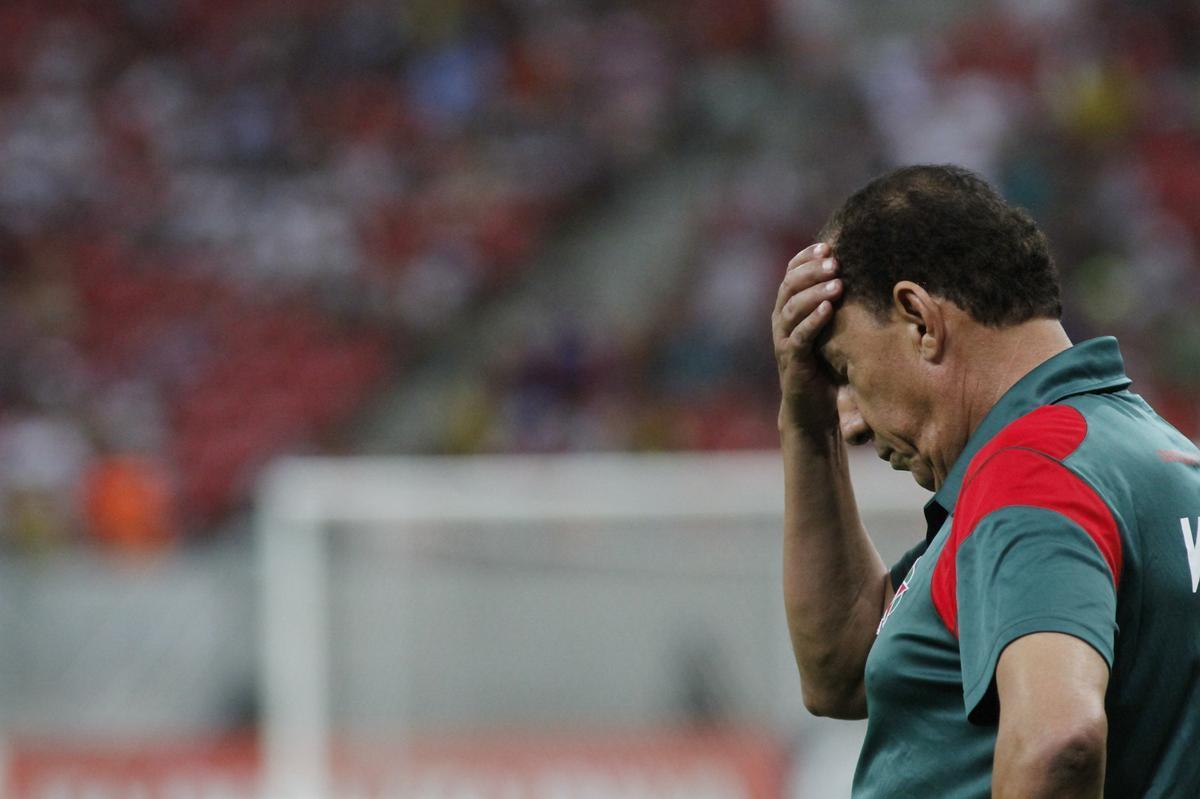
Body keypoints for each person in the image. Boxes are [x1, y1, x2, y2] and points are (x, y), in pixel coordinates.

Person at [771, 164, 1200, 798]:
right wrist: (806, 426)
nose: (853, 423)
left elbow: (1058, 742)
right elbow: (843, 671)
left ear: (919, 320)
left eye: (846, 370)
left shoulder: (1033, 469)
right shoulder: (1156, 455)